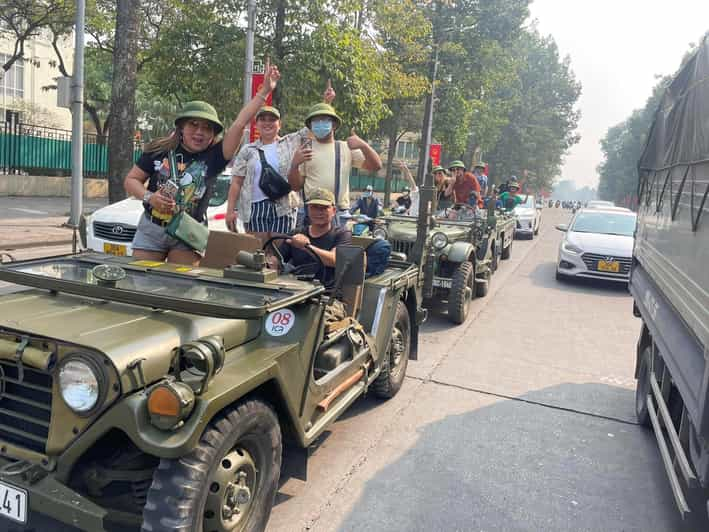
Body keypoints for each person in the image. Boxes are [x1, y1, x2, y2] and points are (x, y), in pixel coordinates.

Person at [124, 60, 280, 265]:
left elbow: (239, 123)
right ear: (181, 127)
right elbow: (131, 180)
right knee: (141, 284)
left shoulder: (215, 157)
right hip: (152, 229)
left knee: (182, 289)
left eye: (207, 128)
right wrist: (149, 197)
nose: (199, 132)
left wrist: (264, 93)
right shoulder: (159, 150)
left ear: (213, 134)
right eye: (193, 125)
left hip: (188, 232)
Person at [287, 102, 382, 226]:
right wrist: (294, 165)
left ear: (334, 125)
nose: (320, 124)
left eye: (324, 120)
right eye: (316, 121)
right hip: (311, 212)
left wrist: (364, 146)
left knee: (338, 246)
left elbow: (376, 166)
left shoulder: (345, 147)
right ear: (310, 126)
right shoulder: (305, 149)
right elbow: (295, 186)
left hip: (338, 213)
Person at [226, 105, 299, 243]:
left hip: (284, 206)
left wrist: (327, 102)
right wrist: (230, 211)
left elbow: (311, 131)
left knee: (279, 253)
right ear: (257, 124)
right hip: (255, 207)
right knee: (257, 252)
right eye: (263, 119)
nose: (267, 123)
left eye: (272, 120)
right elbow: (236, 182)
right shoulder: (248, 150)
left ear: (279, 124)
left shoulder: (290, 143)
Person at [277, 188, 352, 288]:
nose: (319, 212)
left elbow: (335, 260)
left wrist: (307, 247)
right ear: (308, 209)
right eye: (314, 207)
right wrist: (270, 263)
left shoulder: (342, 234)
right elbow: (278, 260)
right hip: (296, 288)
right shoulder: (296, 233)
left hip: (327, 293)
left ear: (333, 211)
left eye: (324, 208)